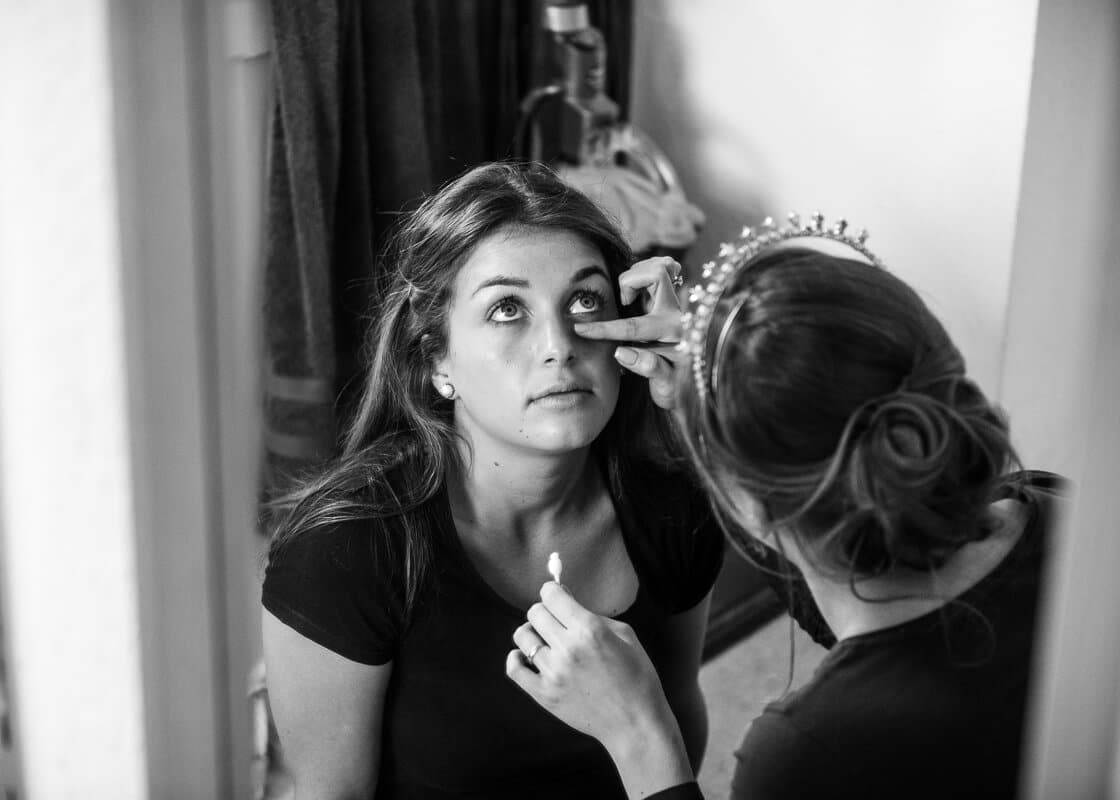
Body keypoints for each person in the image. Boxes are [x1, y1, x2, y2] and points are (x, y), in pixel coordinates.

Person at [507, 217, 1064, 799]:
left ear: (743, 504)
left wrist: (640, 735)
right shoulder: (1054, 507)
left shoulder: (812, 755)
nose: (558, 348)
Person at [260, 161, 727, 799]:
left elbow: (675, 733)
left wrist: (708, 404)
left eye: (585, 299)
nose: (559, 343)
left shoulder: (673, 505)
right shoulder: (344, 550)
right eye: (508, 308)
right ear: (436, 360)